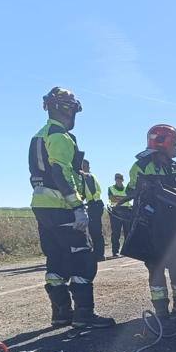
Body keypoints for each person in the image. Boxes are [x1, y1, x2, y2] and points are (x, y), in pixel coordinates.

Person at [28, 87, 115, 329]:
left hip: (42, 206)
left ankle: (61, 313)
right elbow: (60, 171)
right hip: (61, 205)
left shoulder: (40, 135)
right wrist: (77, 205)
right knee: (83, 260)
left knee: (56, 259)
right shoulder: (59, 136)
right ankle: (84, 314)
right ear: (66, 109)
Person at [127, 124, 176, 318]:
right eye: (175, 143)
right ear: (162, 143)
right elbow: (134, 190)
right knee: (155, 268)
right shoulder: (141, 166)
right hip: (152, 225)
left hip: (175, 225)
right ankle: (161, 309)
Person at [80, 159, 106, 261]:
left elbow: (91, 190)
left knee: (95, 230)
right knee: (93, 230)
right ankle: (97, 252)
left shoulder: (89, 176)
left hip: (95, 204)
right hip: (93, 204)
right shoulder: (89, 176)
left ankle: (99, 254)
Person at [107, 173, 131, 255]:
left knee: (127, 232)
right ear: (115, 179)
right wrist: (124, 199)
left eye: (120, 178)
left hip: (127, 211)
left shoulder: (127, 189)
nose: (118, 180)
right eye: (117, 178)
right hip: (116, 211)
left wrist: (118, 198)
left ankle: (127, 250)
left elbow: (129, 198)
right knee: (116, 232)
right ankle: (115, 251)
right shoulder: (111, 188)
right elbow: (112, 198)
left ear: (122, 180)